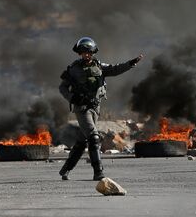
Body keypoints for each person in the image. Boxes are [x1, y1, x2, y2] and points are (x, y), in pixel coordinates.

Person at [58, 37, 143, 181]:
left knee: (83, 140)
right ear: (79, 53)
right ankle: (98, 171)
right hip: (81, 108)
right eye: (83, 52)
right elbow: (63, 87)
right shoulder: (73, 69)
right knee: (93, 136)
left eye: (89, 52)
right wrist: (72, 98)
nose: (86, 55)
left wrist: (131, 63)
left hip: (95, 107)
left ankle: (65, 169)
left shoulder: (99, 66)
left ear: (93, 53)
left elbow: (115, 69)